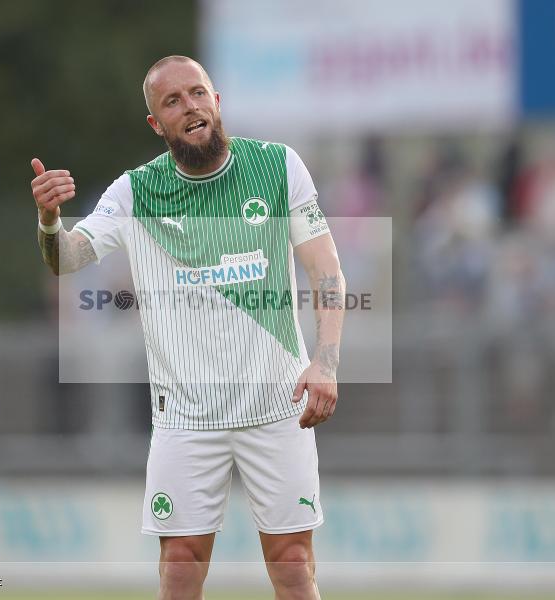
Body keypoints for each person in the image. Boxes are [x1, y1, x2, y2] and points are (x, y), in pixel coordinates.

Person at [30, 55, 345, 599]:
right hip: (187, 415)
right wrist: (49, 220)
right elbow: (66, 259)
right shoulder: (135, 191)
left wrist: (327, 361)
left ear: (216, 100)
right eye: (172, 102)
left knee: (293, 562)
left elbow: (327, 270)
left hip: (276, 404)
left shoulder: (277, 166)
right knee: (179, 563)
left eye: (197, 93)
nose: (190, 106)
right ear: (157, 123)